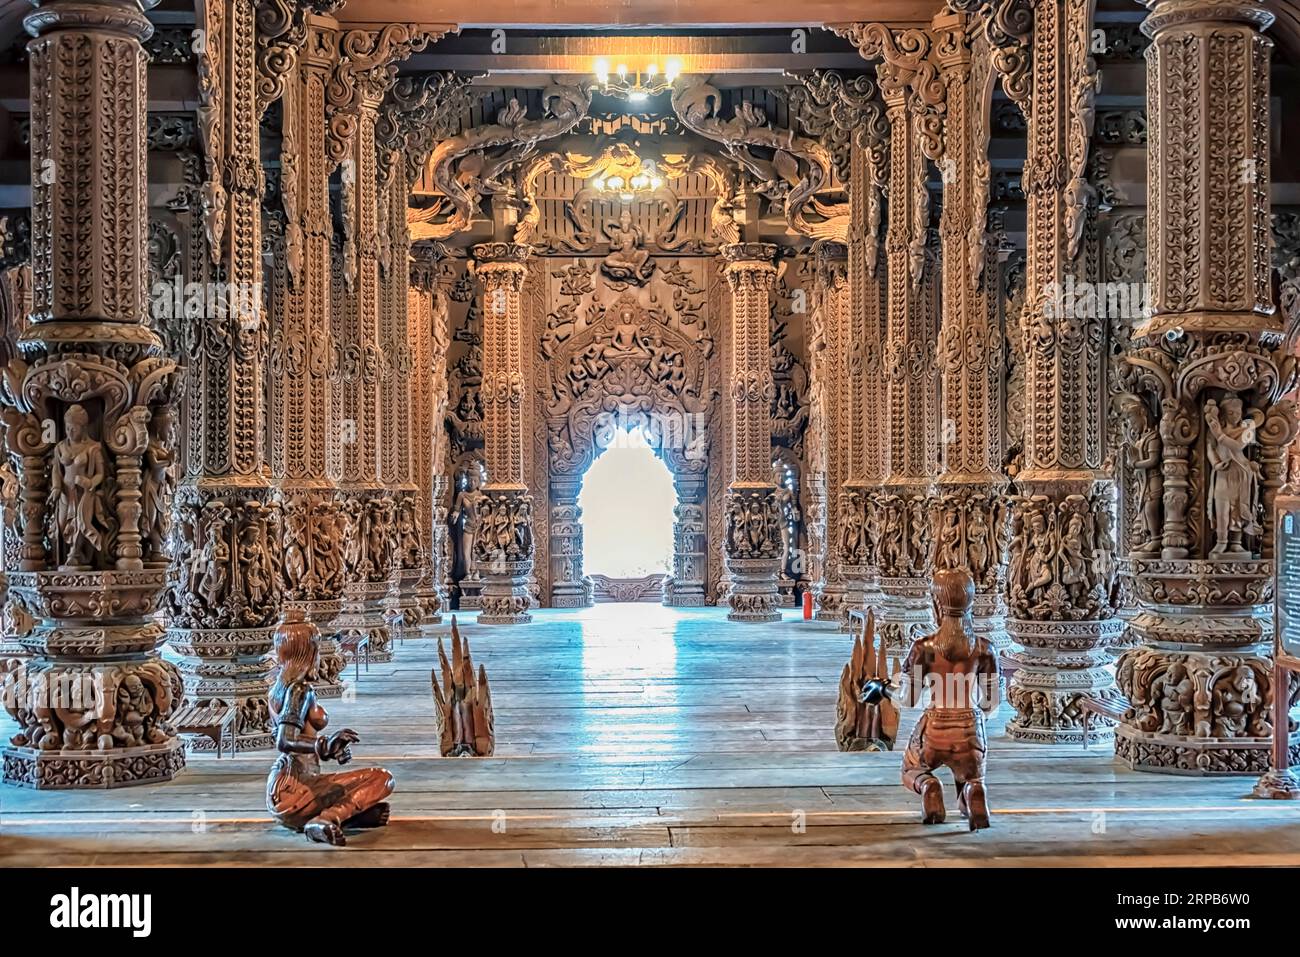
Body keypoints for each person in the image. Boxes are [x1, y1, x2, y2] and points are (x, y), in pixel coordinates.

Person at [266, 609, 395, 846]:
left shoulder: (278, 688)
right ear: (308, 651)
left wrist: (331, 749)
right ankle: (327, 819)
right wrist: (323, 745)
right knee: (382, 778)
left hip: (286, 786)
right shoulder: (299, 690)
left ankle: (345, 816)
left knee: (372, 799)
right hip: (295, 788)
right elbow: (284, 740)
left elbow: (299, 737)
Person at [899, 568, 1001, 830]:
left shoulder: (924, 648)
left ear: (936, 603)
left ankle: (929, 786)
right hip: (970, 728)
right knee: (972, 772)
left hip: (935, 728)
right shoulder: (984, 648)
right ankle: (974, 791)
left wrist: (893, 685)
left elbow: (909, 700)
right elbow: (991, 703)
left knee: (911, 769)